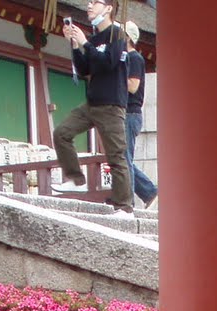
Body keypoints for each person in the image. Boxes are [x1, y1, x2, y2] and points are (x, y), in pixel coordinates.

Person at [55, 0, 134, 214]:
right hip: (92, 103)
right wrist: (75, 44)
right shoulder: (95, 37)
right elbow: (84, 69)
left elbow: (109, 63)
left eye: (95, 2)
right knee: (62, 133)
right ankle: (76, 178)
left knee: (116, 157)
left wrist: (85, 44)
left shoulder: (118, 34)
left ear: (108, 8)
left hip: (111, 104)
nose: (89, 5)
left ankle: (124, 207)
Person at [122, 21, 158, 209]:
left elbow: (133, 86)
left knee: (123, 158)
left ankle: (134, 197)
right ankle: (149, 192)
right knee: (122, 157)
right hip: (126, 113)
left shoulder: (134, 58)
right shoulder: (126, 58)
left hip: (130, 113)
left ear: (128, 37)